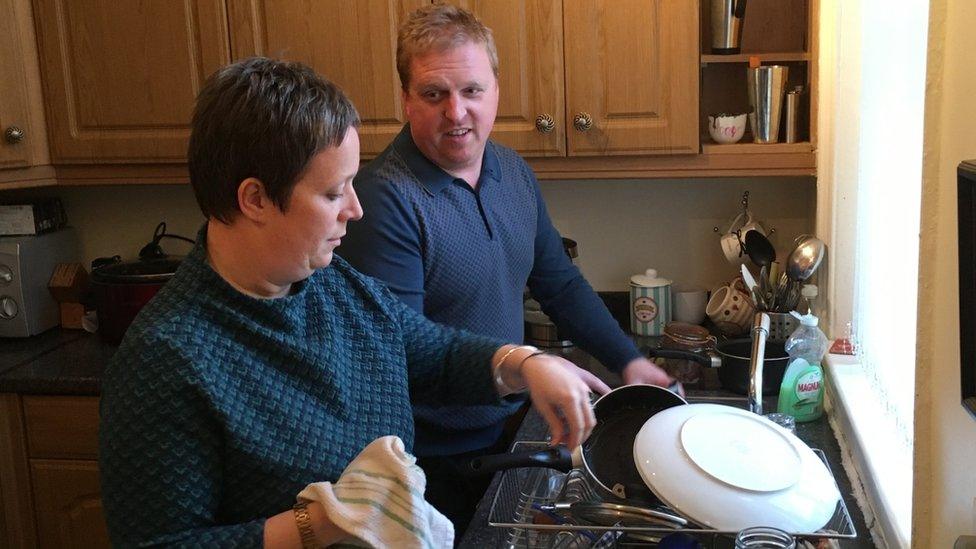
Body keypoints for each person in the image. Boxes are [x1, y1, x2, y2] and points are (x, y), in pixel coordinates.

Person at [98, 56, 609, 548]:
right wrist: (323, 522)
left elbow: (431, 352)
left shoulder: (330, 282)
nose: (355, 209)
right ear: (254, 199)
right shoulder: (167, 358)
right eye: (332, 192)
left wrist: (525, 363)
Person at [340, 4, 676, 535]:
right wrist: (525, 365)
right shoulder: (384, 200)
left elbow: (557, 283)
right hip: (434, 461)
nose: (456, 112)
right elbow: (404, 351)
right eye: (434, 94)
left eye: (471, 91)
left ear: (496, 90)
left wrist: (628, 361)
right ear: (406, 99)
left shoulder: (512, 172)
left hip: (511, 432)